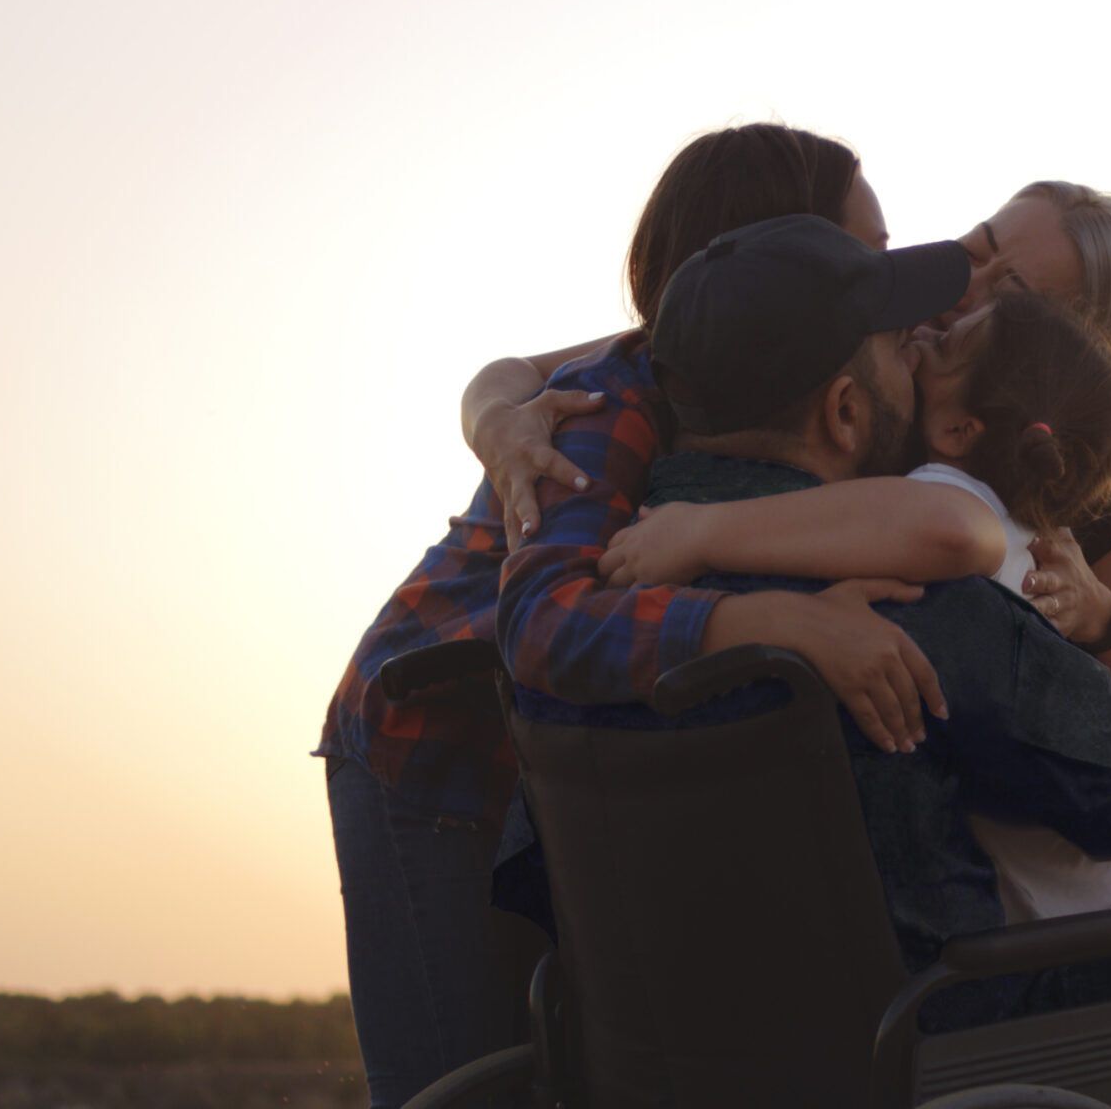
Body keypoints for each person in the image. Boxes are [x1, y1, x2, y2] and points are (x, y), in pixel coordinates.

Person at [499, 214, 1111, 1105]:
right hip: (945, 1045)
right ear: (848, 408)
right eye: (899, 343)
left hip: (683, 1071)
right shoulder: (910, 598)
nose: (921, 341)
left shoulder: (598, 585)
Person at [315, 123, 943, 1109]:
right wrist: (775, 620)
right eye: (862, 254)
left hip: (571, 754)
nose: (886, 281)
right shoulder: (620, 400)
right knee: (464, 1080)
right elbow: (551, 618)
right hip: (431, 745)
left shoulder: (827, 386)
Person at [469, 179, 1111, 751]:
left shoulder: (1067, 487)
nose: (966, 289)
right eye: (977, 248)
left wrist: (1106, 618)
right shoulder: (826, 333)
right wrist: (498, 420)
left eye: (1012, 294)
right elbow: (538, 374)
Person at [602, 291, 1111, 921]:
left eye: (947, 345)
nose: (922, 339)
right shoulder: (1003, 513)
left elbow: (950, 526)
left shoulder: (951, 497)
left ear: (960, 430)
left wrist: (701, 532)